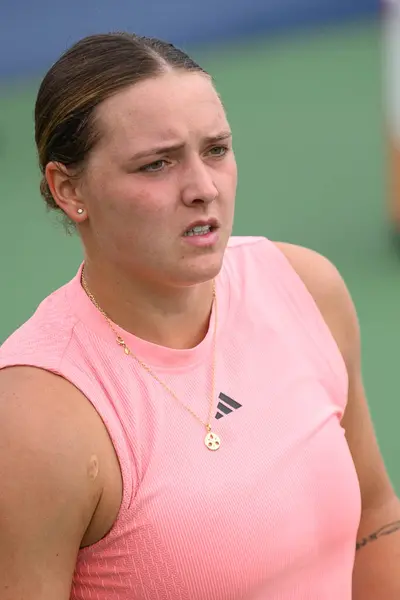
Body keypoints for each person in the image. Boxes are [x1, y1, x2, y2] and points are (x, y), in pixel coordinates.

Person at [0, 32, 399, 600]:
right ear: (68, 189)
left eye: (215, 150)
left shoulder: (306, 288)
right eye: (156, 164)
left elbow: (376, 518)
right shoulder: (38, 416)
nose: (203, 188)